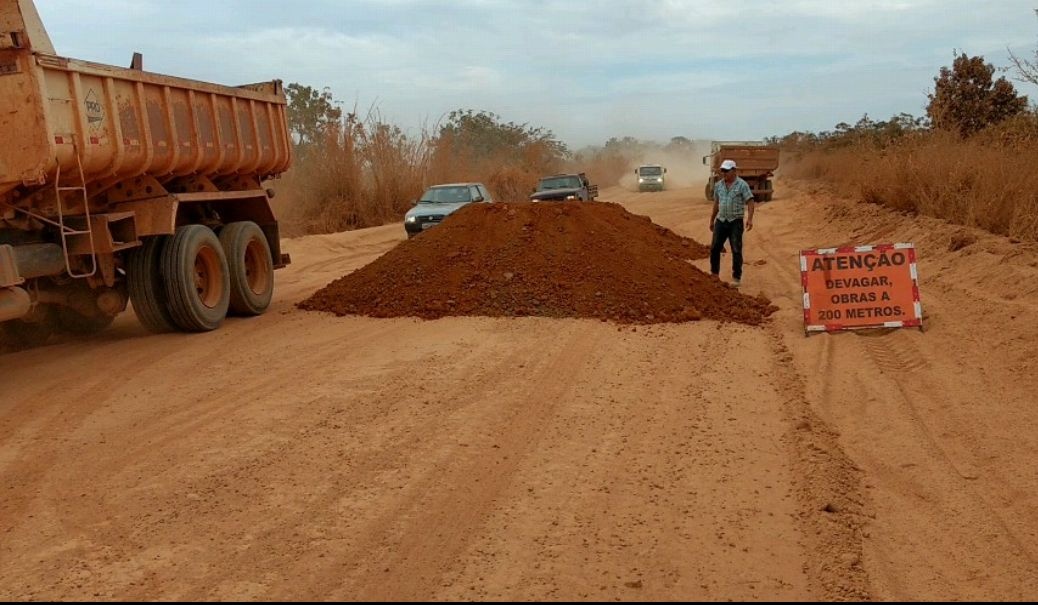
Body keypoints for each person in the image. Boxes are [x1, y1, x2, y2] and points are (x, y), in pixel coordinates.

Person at [709, 159, 755, 287]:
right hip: (721, 220)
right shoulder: (719, 185)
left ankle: (736, 278)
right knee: (714, 248)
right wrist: (712, 220)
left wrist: (750, 219)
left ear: (734, 170)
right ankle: (714, 274)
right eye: (723, 171)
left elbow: (750, 202)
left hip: (735, 222)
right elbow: (716, 203)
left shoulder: (742, 185)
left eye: (727, 171)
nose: (724, 174)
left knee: (736, 249)